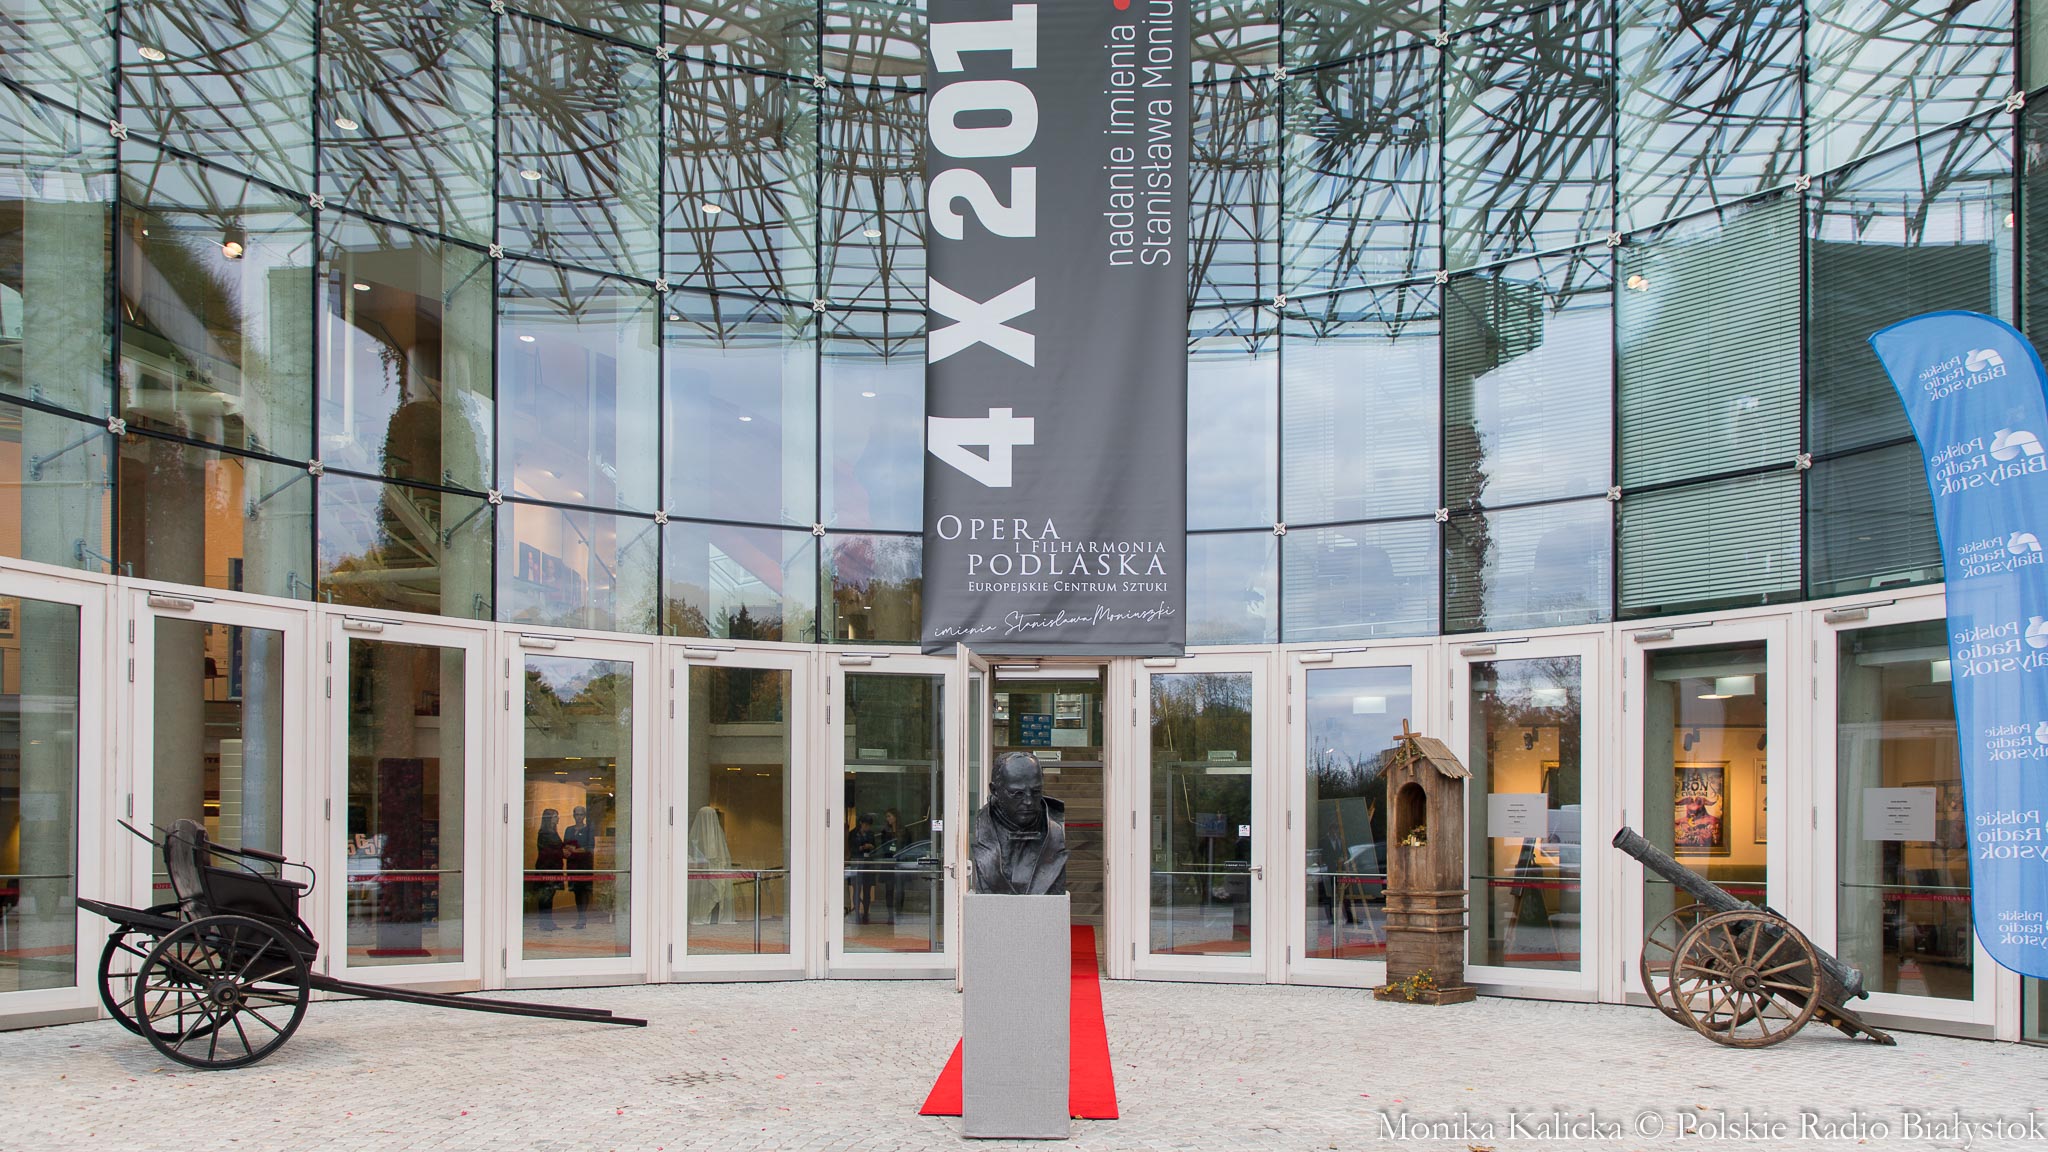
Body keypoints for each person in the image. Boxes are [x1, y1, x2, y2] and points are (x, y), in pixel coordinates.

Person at [969, 751, 1067, 895]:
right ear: (995, 790)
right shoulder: (983, 827)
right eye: (1017, 794)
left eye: (1035, 792)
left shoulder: (1055, 829)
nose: (1028, 801)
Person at [563, 805, 597, 929]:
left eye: (581, 814)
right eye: (577, 814)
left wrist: (576, 850)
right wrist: (566, 850)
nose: (578, 817)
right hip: (572, 865)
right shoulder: (569, 830)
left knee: (584, 890)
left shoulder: (589, 829)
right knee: (576, 891)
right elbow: (565, 844)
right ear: (573, 815)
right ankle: (580, 916)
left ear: (584, 816)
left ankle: (582, 917)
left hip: (584, 864)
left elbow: (590, 847)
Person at [531, 808, 564, 931]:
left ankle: (547, 922)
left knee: (549, 896)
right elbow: (547, 852)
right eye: (555, 816)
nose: (557, 819)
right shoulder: (544, 834)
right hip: (547, 869)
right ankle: (545, 923)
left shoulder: (552, 832)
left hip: (554, 868)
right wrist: (562, 852)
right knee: (546, 897)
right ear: (549, 819)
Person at [847, 812, 881, 923]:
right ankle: (856, 913)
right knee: (856, 889)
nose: (867, 827)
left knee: (867, 889)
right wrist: (861, 847)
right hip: (857, 861)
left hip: (867, 862)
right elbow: (851, 848)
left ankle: (866, 913)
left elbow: (875, 847)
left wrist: (871, 846)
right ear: (861, 823)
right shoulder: (853, 833)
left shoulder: (870, 834)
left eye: (869, 825)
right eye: (866, 825)